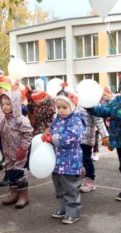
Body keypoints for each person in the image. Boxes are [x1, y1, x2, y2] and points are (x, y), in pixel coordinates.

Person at [42, 84, 85, 224]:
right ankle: (63, 207)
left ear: (72, 106)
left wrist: (53, 138)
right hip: (57, 161)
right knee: (59, 186)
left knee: (70, 188)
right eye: (58, 107)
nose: (60, 110)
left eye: (64, 107)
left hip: (70, 161)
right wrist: (47, 134)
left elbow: (71, 138)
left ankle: (73, 211)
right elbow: (53, 131)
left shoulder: (76, 120)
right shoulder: (57, 120)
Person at [0, 91, 33, 208]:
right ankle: (14, 193)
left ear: (16, 104)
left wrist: (23, 148)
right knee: (10, 172)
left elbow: (28, 133)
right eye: (3, 104)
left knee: (19, 172)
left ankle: (24, 195)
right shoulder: (4, 119)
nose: (5, 107)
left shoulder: (20, 119)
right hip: (8, 152)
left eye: (8, 104)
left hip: (19, 153)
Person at [78, 106, 108, 193]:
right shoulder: (76, 105)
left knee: (86, 159)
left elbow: (99, 121)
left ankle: (90, 181)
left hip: (86, 138)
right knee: (77, 159)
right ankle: (79, 178)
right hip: (75, 138)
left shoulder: (93, 107)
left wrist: (105, 136)